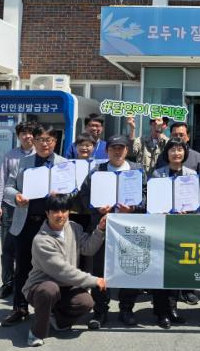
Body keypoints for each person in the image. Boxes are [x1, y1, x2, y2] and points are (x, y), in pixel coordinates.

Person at [1, 125, 68, 327]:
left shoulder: (63, 164)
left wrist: (61, 194)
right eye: (40, 139)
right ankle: (20, 308)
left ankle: (54, 309)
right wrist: (17, 196)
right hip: (27, 222)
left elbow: (72, 193)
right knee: (22, 267)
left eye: (49, 140)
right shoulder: (23, 162)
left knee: (54, 267)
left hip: (52, 225)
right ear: (34, 141)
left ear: (55, 142)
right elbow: (8, 188)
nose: (44, 144)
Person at [22, 194, 106, 347]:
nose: (60, 215)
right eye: (55, 211)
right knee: (49, 290)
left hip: (66, 286)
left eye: (64, 210)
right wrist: (94, 280)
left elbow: (88, 248)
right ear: (47, 213)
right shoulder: (41, 240)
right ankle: (36, 332)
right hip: (40, 287)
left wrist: (100, 229)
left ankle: (57, 320)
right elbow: (63, 271)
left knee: (86, 302)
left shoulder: (74, 228)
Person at [77, 134, 143, 329]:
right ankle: (100, 310)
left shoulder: (137, 170)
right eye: (113, 147)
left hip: (129, 228)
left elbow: (147, 195)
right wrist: (96, 208)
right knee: (100, 270)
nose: (117, 151)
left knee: (130, 269)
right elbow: (83, 195)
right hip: (103, 227)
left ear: (127, 150)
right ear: (107, 151)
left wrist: (134, 208)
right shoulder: (97, 171)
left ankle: (126, 309)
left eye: (121, 147)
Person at [150, 137, 196, 328]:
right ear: (166, 153)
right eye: (173, 150)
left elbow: (196, 201)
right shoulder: (157, 173)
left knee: (177, 268)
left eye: (180, 149)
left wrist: (190, 210)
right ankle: (161, 312)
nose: (176, 153)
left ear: (185, 153)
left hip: (181, 227)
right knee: (161, 269)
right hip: (162, 226)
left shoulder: (192, 174)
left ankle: (173, 308)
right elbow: (151, 200)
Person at [0, 121, 37, 300]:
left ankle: (28, 282)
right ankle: (7, 283)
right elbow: (2, 180)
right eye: (23, 133)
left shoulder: (40, 155)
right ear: (18, 136)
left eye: (30, 133)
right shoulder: (10, 155)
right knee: (7, 248)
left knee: (30, 247)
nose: (27, 136)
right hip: (10, 206)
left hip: (31, 207)